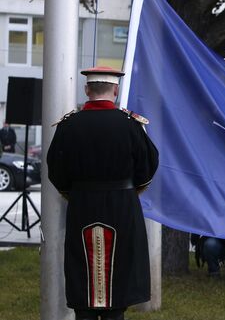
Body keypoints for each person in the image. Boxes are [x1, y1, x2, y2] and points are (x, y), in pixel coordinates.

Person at [47, 66, 159, 320]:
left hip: (82, 205)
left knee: (81, 270)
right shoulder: (131, 125)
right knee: (120, 272)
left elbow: (56, 170)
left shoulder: (68, 126)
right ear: (115, 91)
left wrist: (74, 193)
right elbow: (148, 167)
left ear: (87, 90)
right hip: (123, 206)